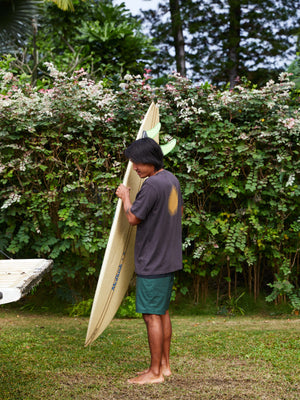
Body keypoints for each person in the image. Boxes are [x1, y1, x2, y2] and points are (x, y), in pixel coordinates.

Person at [116, 137, 183, 385]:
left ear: (151, 160)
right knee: (162, 312)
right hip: (168, 257)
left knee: (151, 316)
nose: (134, 167)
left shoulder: (153, 185)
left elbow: (134, 218)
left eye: (138, 163)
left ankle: (154, 373)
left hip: (153, 260)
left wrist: (125, 197)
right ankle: (164, 366)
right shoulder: (171, 179)